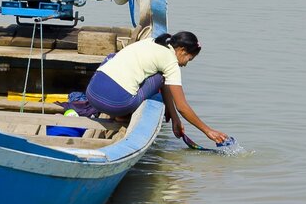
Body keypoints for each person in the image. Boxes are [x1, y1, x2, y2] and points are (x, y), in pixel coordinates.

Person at [67, 31, 229, 147]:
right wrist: (208, 131)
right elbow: (182, 107)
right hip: (116, 105)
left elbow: (174, 104)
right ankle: (122, 116)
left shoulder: (151, 42)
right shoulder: (170, 62)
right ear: (181, 50)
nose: (185, 64)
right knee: (161, 77)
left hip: (91, 93)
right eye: (188, 59)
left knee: (112, 57)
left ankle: (118, 112)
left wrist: (174, 118)